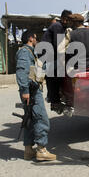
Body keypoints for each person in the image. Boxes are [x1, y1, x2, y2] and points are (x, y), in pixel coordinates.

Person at [16, 31, 56, 161]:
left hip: (31, 89)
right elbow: (22, 71)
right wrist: (25, 90)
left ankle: (28, 150)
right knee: (41, 118)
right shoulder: (24, 52)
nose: (36, 39)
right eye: (35, 37)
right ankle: (41, 150)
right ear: (30, 38)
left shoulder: (31, 52)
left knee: (30, 120)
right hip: (31, 91)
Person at [42, 10, 72, 111]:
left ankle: (53, 98)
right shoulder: (58, 26)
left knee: (55, 77)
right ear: (64, 19)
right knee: (54, 77)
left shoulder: (62, 27)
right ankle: (54, 101)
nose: (69, 22)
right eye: (69, 20)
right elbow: (58, 45)